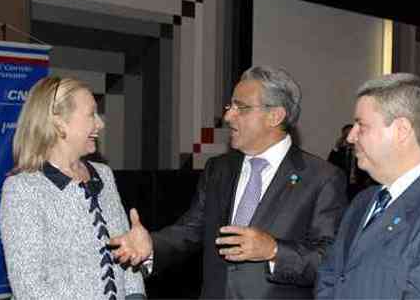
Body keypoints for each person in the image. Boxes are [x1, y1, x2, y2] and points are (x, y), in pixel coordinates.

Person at [110, 66, 348, 299]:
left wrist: (274, 251)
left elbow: (329, 261)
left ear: (275, 116)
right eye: (229, 106)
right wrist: (151, 245)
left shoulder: (322, 178)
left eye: (240, 108)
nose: (227, 116)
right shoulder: (219, 169)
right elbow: (190, 230)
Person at [316, 73, 420, 299]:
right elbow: (330, 276)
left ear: (402, 130)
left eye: (361, 125)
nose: (351, 137)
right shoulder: (363, 201)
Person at [0, 77, 146, 299]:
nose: (100, 123)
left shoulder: (103, 174)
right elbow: (29, 288)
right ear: (59, 123)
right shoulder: (22, 188)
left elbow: (126, 258)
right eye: (91, 114)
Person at [328, 124, 373, 200]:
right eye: (346, 134)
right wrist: (336, 148)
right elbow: (330, 165)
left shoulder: (362, 150)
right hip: (342, 184)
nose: (349, 137)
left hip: (359, 186)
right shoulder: (340, 151)